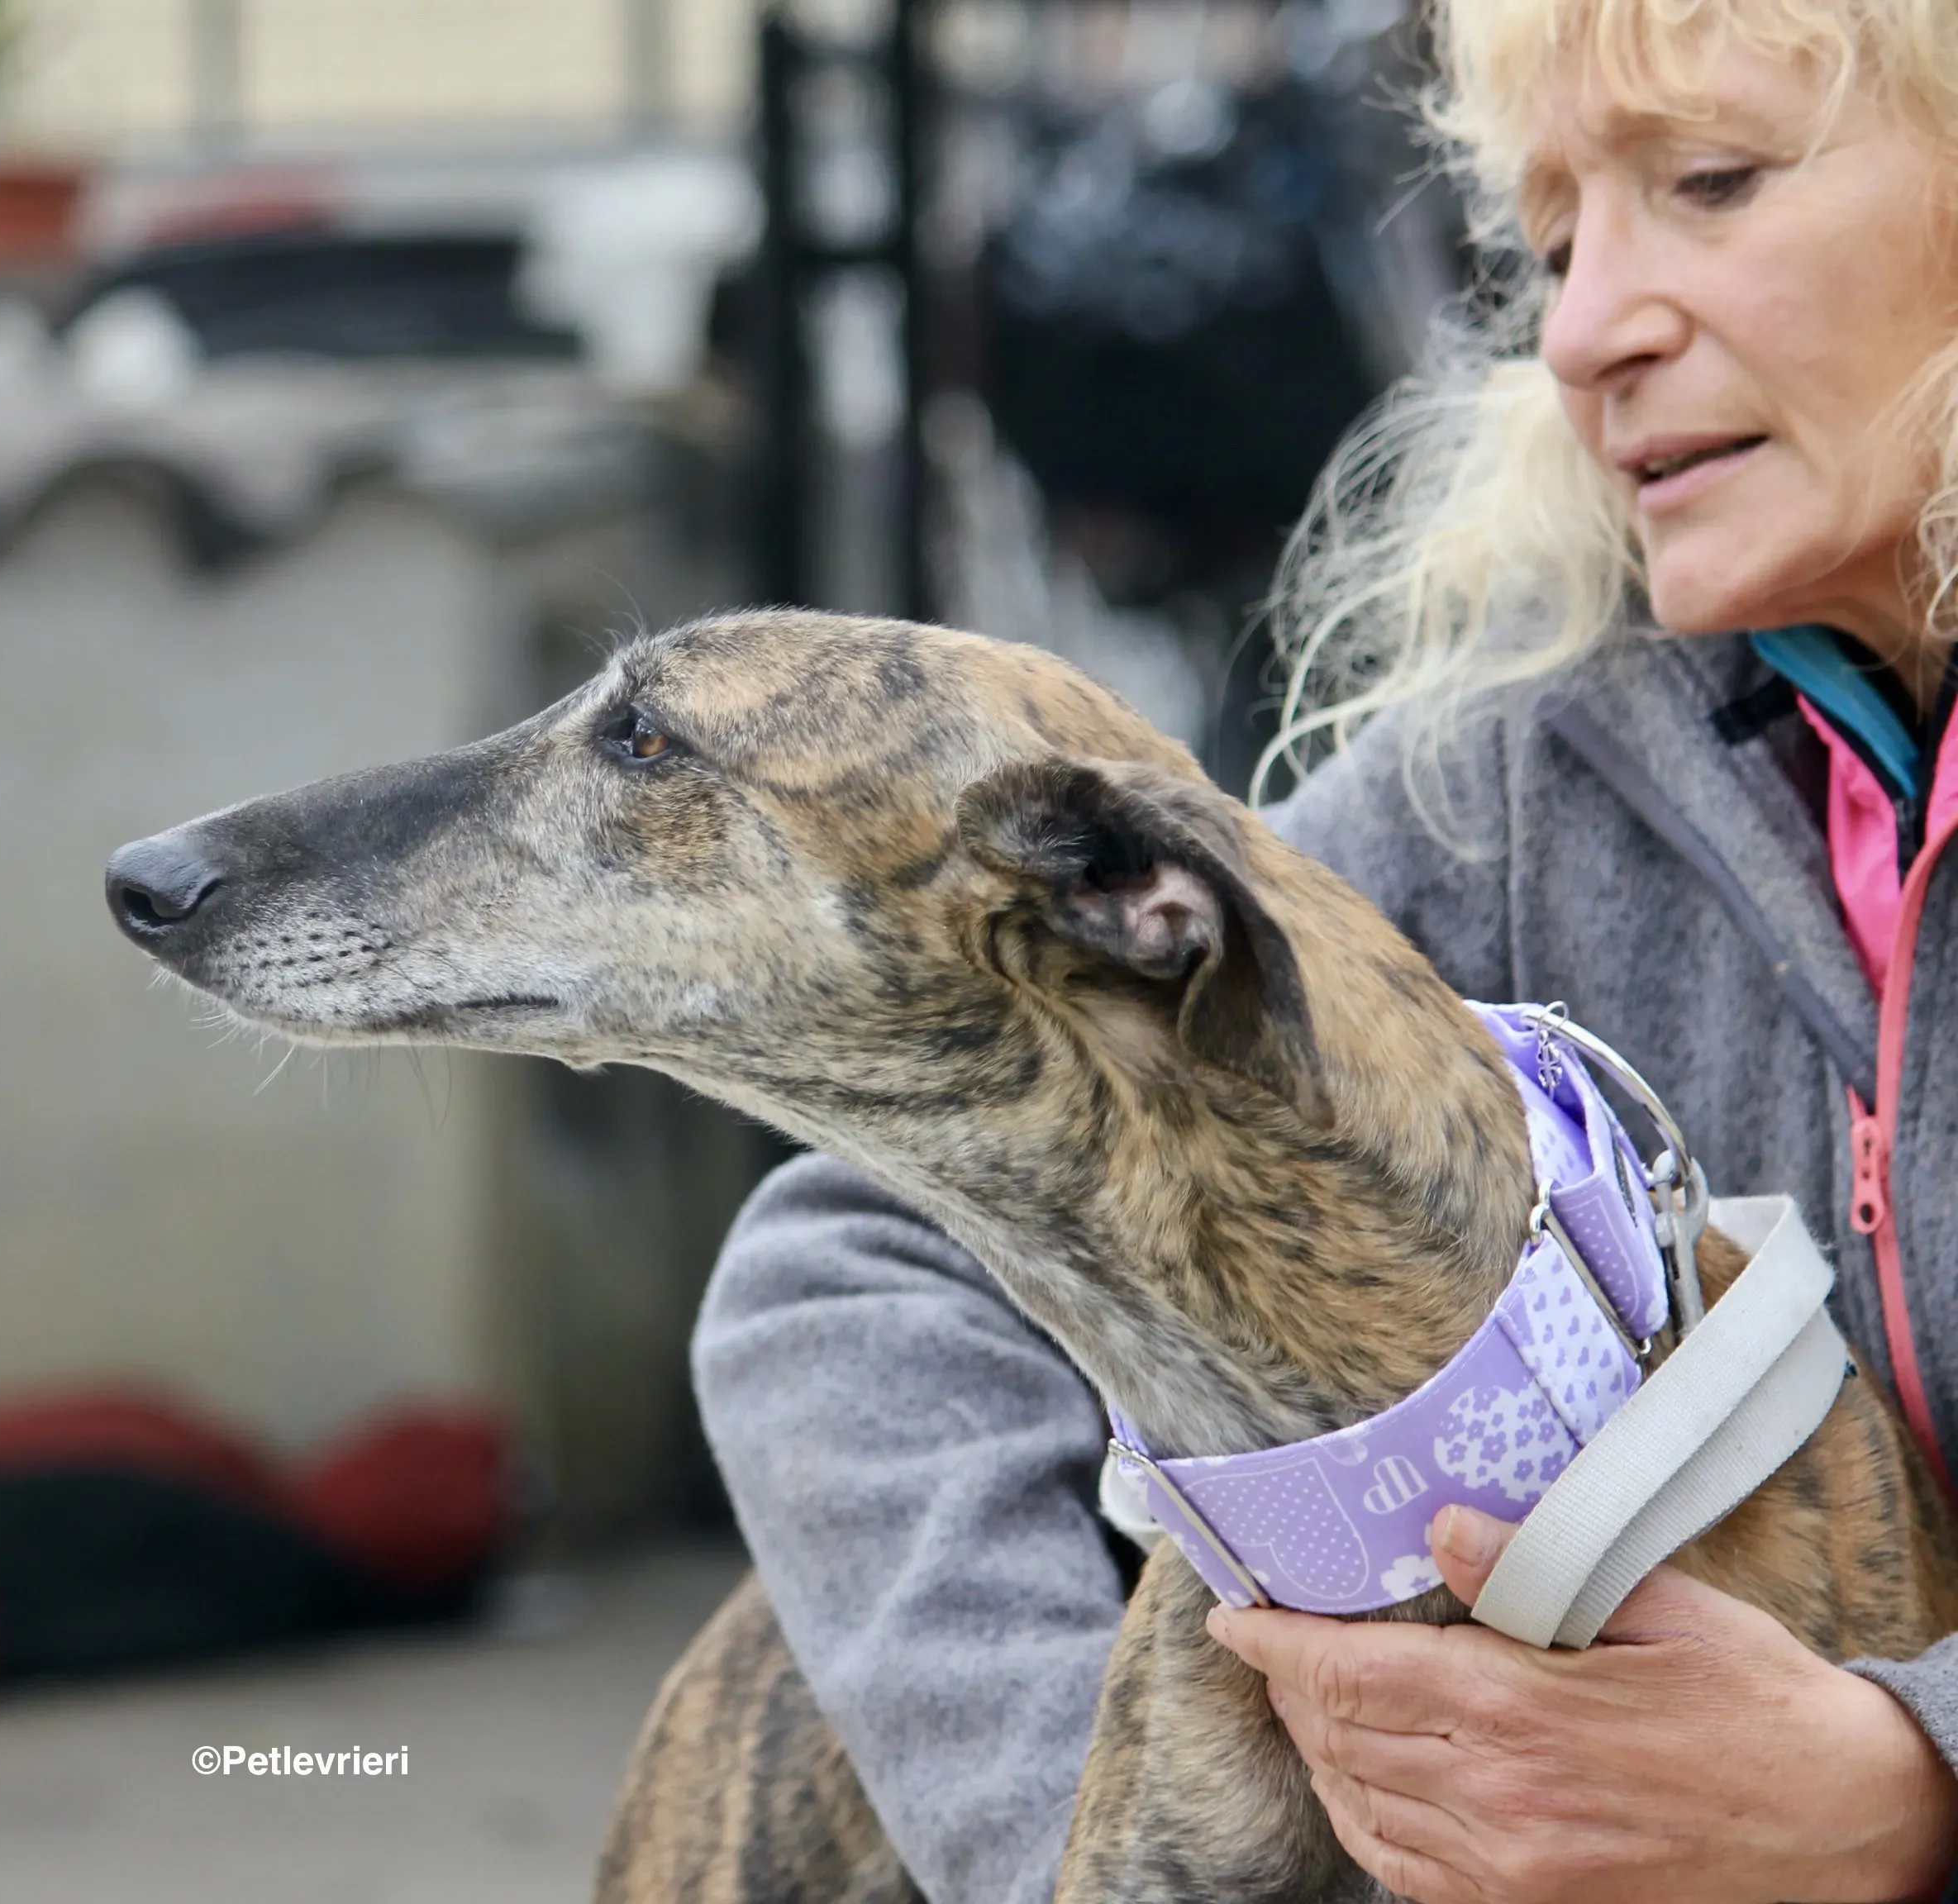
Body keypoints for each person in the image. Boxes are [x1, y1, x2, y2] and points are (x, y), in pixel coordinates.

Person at [691, 0, 1958, 1898]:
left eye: (1706, 183)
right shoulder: (1522, 778)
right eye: (1544, 244)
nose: (1583, 328)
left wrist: (1906, 1783)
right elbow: (858, 1264)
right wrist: (1091, 1836)